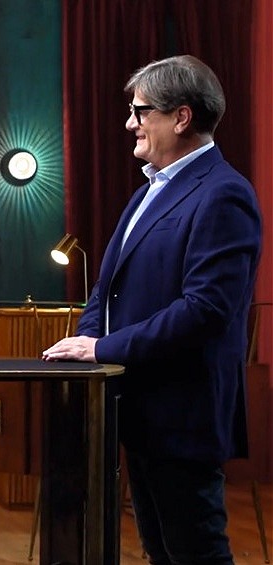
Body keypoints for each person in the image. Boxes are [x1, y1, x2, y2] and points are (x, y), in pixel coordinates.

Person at [42, 55, 262, 564]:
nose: (130, 123)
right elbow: (107, 288)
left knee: (195, 553)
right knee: (161, 553)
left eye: (140, 111)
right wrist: (89, 341)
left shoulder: (224, 193)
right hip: (139, 411)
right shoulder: (149, 189)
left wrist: (103, 347)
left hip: (184, 415)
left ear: (181, 117)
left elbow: (206, 309)